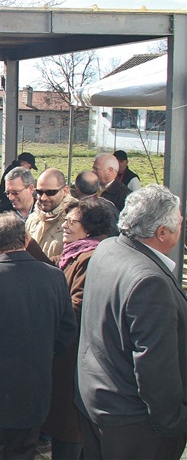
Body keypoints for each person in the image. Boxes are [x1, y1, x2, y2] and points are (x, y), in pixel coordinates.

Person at [76, 185, 186, 460]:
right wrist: (173, 423)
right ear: (162, 232)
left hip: (96, 399)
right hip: (133, 423)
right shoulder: (150, 282)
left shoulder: (109, 247)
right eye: (179, 222)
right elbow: (154, 367)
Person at [0, 213, 77, 459]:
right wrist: (45, 356)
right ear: (26, 239)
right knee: (24, 450)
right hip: (35, 387)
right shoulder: (54, 277)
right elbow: (67, 330)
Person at [41, 197, 116, 460]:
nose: (65, 226)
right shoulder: (74, 254)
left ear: (91, 227)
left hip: (74, 357)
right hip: (68, 354)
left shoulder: (90, 257)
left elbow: (77, 306)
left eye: (73, 222)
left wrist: (45, 316)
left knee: (70, 432)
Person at [26, 168, 76, 262]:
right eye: (39, 192)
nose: (44, 198)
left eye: (51, 192)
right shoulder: (32, 218)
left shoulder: (77, 220)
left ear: (65, 190)